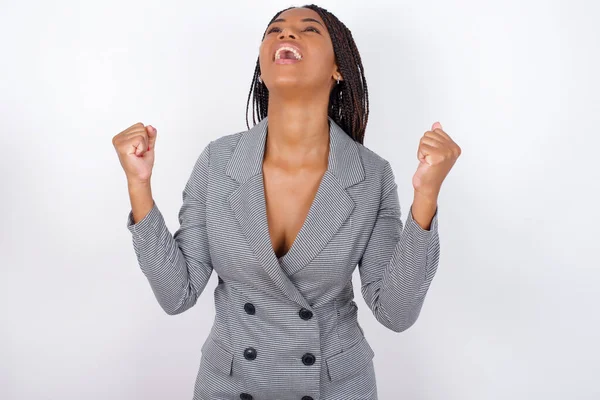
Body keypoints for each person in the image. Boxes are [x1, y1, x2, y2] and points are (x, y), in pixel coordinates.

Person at [112, 4, 461, 400]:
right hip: (228, 386)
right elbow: (177, 292)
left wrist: (427, 195)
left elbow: (395, 313)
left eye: (309, 30)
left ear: (338, 69)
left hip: (334, 388)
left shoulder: (371, 175)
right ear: (263, 68)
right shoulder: (218, 161)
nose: (286, 34)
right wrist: (139, 185)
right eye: (275, 29)